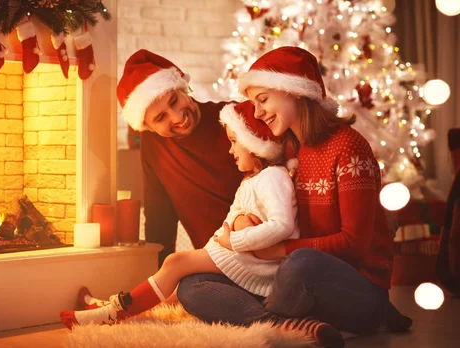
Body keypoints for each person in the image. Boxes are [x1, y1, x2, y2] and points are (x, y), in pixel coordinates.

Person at [61, 101, 344, 347]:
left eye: (235, 141)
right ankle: (117, 307)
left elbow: (282, 226)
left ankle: (110, 312)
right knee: (185, 286)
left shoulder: (272, 177)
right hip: (238, 256)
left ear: (255, 143)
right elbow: (230, 222)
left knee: (175, 263)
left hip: (257, 264)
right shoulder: (254, 179)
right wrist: (233, 230)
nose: (230, 149)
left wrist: (236, 240)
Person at [176, 46, 412, 336]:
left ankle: (271, 320)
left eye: (263, 100)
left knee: (300, 264)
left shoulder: (349, 147)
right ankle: (289, 326)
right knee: (192, 284)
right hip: (291, 280)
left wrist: (276, 250)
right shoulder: (288, 148)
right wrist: (240, 225)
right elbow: (256, 198)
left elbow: (354, 243)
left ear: (297, 91)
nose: (258, 112)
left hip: (354, 288)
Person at [116, 49, 243, 266]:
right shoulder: (154, 145)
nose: (177, 117)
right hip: (214, 263)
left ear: (183, 88)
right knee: (188, 289)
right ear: (148, 127)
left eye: (174, 101)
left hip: (261, 253)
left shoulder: (233, 117)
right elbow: (159, 218)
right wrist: (160, 278)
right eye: (160, 117)